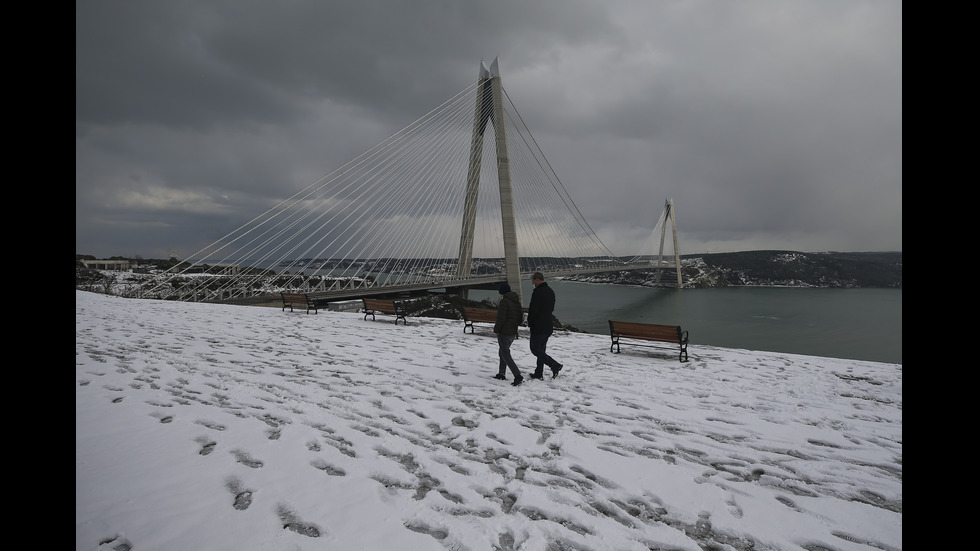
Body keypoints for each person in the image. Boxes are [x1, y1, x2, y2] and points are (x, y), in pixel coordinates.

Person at [526, 272, 563, 379]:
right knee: (541, 350)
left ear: (537, 280)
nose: (532, 282)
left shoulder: (538, 292)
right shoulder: (551, 291)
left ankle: (554, 365)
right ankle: (538, 372)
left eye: (532, 280)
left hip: (538, 326)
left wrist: (530, 322)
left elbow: (533, 310)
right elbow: (551, 309)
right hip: (548, 325)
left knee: (535, 349)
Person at [493, 283, 524, 386]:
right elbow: (520, 319)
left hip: (504, 332)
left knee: (505, 353)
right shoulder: (516, 302)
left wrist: (496, 329)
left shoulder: (504, 302)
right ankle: (501, 373)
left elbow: (501, 318)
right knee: (502, 351)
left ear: (502, 292)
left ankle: (517, 375)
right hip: (512, 332)